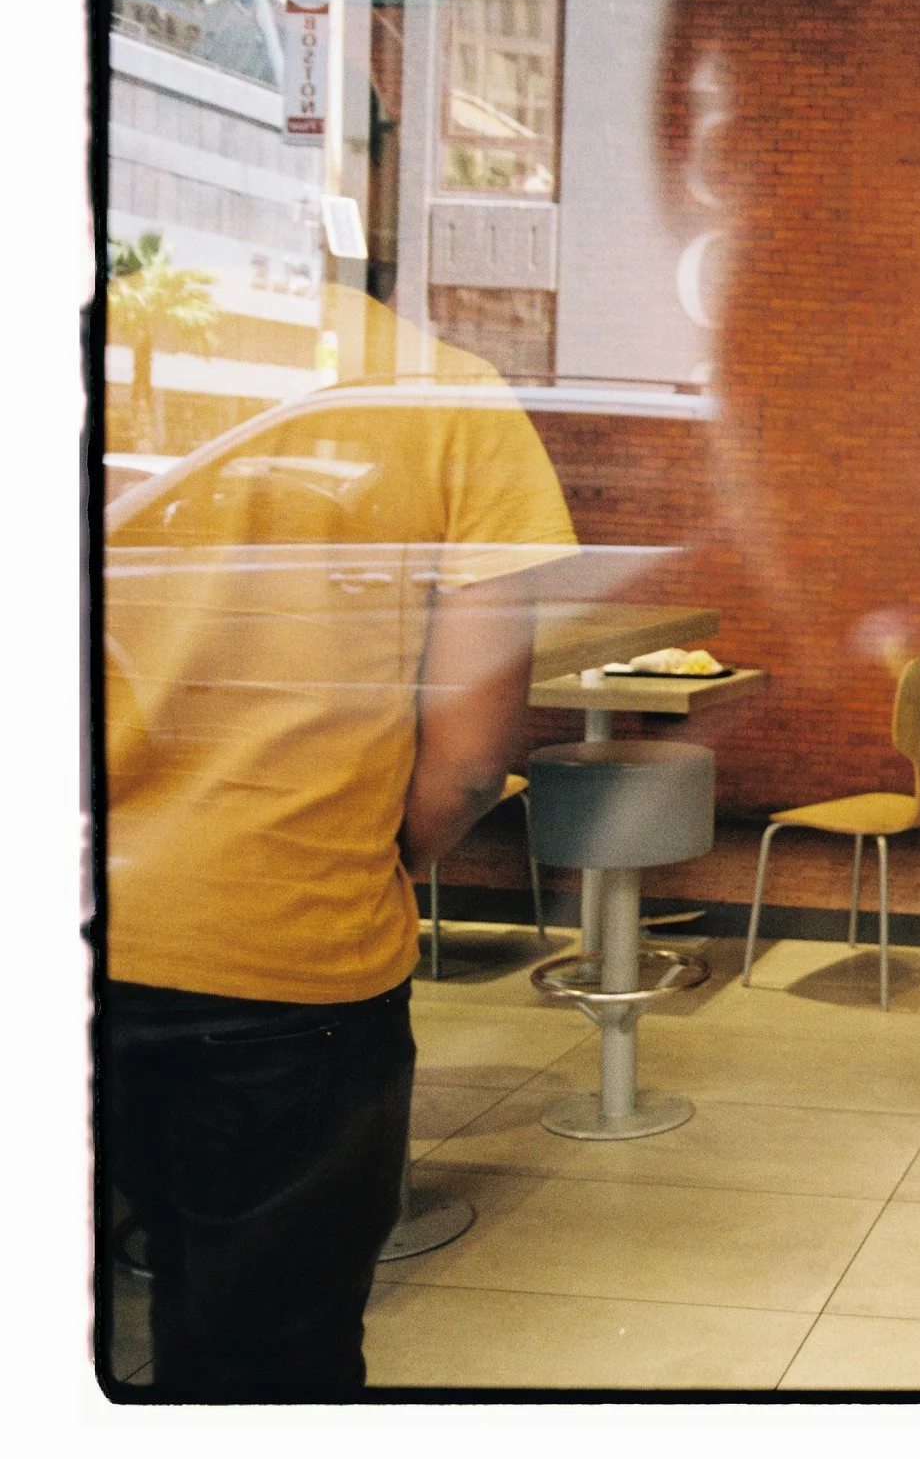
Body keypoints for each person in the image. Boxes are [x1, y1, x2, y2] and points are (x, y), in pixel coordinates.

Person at [102, 308, 577, 1396]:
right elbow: (467, 761)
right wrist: (367, 851)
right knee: (263, 1360)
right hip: (281, 949)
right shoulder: (436, 392)